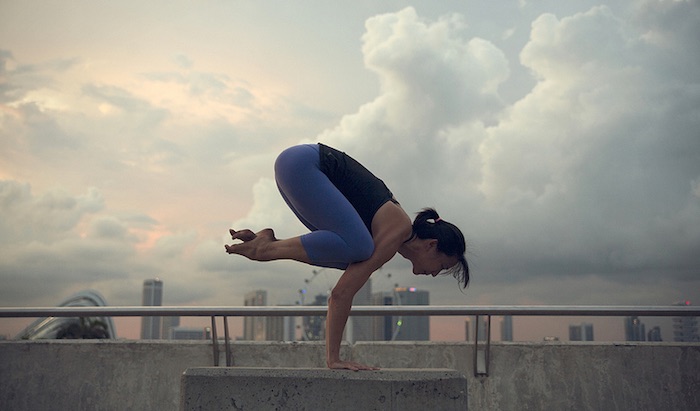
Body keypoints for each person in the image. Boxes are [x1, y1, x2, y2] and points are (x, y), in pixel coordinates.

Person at [225, 143, 469, 371]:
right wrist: (333, 359)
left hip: (295, 165)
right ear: (431, 245)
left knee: (350, 259)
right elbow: (341, 294)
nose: (435, 273)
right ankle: (266, 250)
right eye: (442, 265)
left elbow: (342, 285)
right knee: (361, 251)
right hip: (304, 164)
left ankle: (270, 243)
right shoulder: (398, 230)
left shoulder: (392, 232)